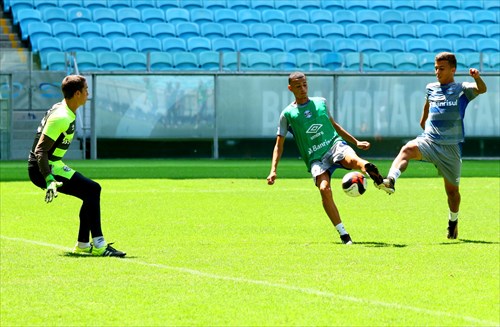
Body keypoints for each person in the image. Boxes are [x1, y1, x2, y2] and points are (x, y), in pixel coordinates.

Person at [267, 72, 386, 245]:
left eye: (305, 84)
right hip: (316, 158)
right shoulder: (287, 114)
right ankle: (344, 234)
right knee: (324, 189)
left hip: (334, 145)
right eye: (298, 86)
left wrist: (356, 141)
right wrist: (273, 170)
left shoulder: (320, 102)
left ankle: (372, 172)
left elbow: (334, 126)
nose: (303, 89)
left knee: (353, 160)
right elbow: (279, 144)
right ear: (290, 88)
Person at [378, 52, 487, 239]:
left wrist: (477, 77)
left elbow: (482, 89)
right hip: (429, 140)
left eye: (441, 68)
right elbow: (427, 105)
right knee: (407, 149)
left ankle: (453, 222)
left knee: (452, 193)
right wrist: (423, 122)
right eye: (436, 68)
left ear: (453, 69)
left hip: (451, 148)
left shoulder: (461, 88)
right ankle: (390, 181)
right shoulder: (431, 88)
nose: (437, 72)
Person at [28, 75, 126, 257]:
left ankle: (83, 244)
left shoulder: (64, 109)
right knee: (92, 189)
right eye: (86, 89)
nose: (88, 93)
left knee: (90, 191)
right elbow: (40, 151)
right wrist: (48, 178)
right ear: (78, 93)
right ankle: (99, 245)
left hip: (52, 164)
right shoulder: (61, 116)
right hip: (43, 168)